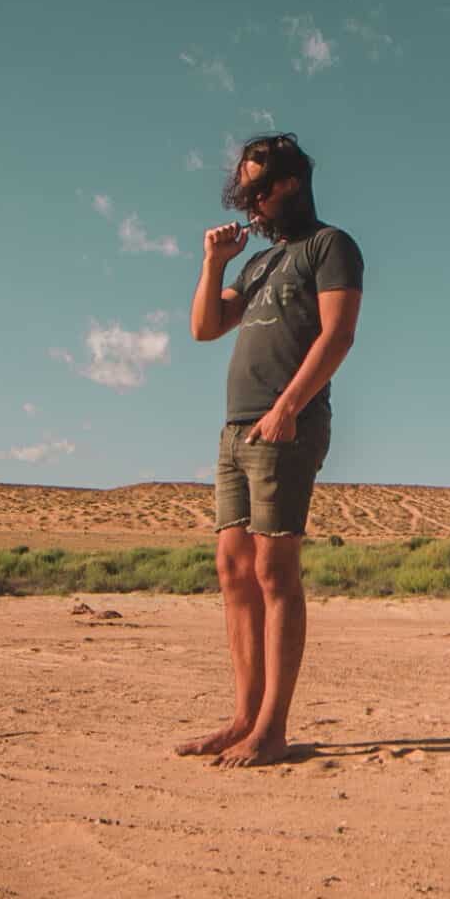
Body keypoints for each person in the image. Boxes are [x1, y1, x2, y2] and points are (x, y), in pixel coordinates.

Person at [178, 133, 363, 767]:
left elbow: (338, 336)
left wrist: (288, 408)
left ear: (289, 183)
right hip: (235, 430)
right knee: (233, 571)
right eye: (244, 195)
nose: (251, 207)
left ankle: (272, 728)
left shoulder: (329, 247)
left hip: (287, 425)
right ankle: (242, 717)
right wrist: (214, 264)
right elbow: (205, 328)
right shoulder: (258, 264)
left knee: (273, 572)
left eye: (257, 192)